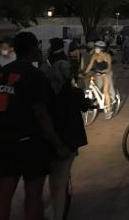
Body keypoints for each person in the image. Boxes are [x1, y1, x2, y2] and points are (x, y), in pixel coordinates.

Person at [0, 32, 71, 220]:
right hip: (29, 142)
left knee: (4, 191)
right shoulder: (34, 75)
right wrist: (58, 145)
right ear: (34, 48)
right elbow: (41, 114)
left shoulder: (2, 73)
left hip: (5, 139)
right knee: (33, 192)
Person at [43, 38, 88, 220]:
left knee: (53, 179)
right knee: (61, 182)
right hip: (68, 141)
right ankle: (58, 214)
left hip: (48, 139)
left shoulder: (46, 93)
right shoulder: (74, 93)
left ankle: (51, 208)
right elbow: (85, 105)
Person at [84, 41, 114, 118]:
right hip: (98, 73)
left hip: (106, 74)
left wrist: (104, 72)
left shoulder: (107, 56)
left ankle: (109, 110)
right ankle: (95, 102)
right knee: (96, 87)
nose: (96, 49)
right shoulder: (94, 55)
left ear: (102, 48)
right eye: (95, 47)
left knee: (105, 91)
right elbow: (90, 65)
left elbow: (109, 67)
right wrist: (85, 73)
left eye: (97, 47)